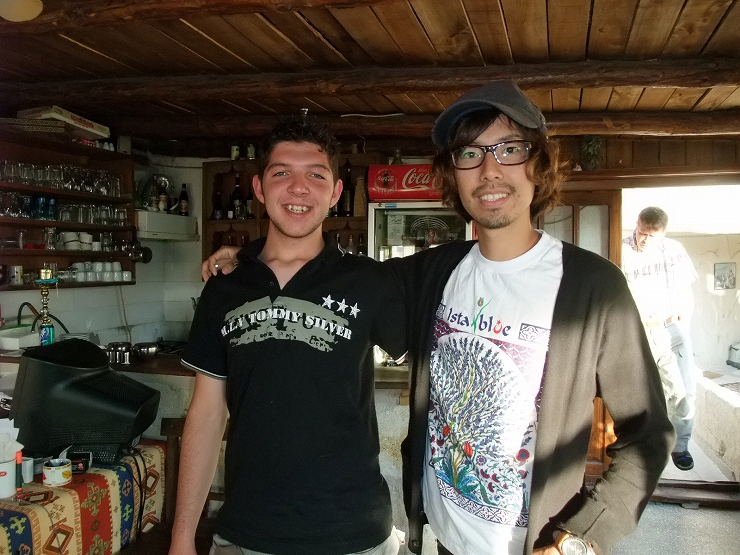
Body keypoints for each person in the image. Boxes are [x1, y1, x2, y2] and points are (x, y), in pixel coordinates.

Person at [204, 81, 674, 555]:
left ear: (539, 163)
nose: (490, 170)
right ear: (454, 174)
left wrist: (582, 539)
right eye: (470, 154)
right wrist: (247, 259)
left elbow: (648, 434)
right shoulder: (433, 273)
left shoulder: (593, 287)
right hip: (442, 541)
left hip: (538, 542)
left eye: (510, 149)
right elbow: (324, 272)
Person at [173, 116, 406, 555]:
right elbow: (205, 414)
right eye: (282, 173)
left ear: (335, 192)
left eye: (316, 175)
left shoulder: (369, 281)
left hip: (354, 533)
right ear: (259, 188)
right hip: (246, 532)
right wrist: (182, 537)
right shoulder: (224, 288)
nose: (299, 188)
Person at [622, 206, 698, 471]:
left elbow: (687, 290)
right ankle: (643, 449)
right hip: (637, 331)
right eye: (642, 232)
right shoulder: (621, 249)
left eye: (651, 236)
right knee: (639, 394)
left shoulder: (675, 250)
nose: (644, 239)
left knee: (682, 391)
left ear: (663, 233)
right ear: (637, 224)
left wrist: (684, 319)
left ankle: (681, 446)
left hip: (670, 329)